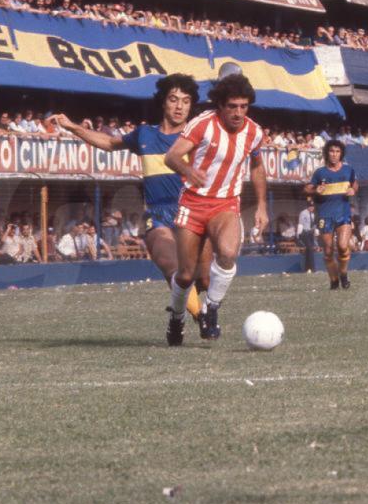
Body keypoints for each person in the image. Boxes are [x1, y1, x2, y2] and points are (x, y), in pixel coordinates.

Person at [49, 73, 210, 320]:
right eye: (174, 99)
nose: (179, 106)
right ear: (163, 102)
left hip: (190, 213)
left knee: (203, 278)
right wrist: (74, 128)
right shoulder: (145, 134)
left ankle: (178, 317)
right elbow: (110, 143)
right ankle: (203, 319)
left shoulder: (198, 139)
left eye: (186, 101)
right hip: (157, 214)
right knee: (172, 267)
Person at [163, 73, 269, 345]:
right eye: (232, 106)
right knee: (187, 275)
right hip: (193, 203)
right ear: (220, 105)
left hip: (225, 203)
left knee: (229, 252)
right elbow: (172, 156)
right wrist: (188, 170)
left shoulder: (254, 132)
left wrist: (261, 206)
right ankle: (176, 318)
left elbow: (257, 167)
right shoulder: (202, 124)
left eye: (243, 107)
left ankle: (211, 308)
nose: (238, 113)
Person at [304, 140, 357, 290]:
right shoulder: (320, 172)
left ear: (341, 154)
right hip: (324, 215)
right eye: (331, 151)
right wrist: (315, 190)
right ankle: (334, 281)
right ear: (327, 153)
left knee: (342, 246)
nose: (334, 154)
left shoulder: (348, 170)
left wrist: (354, 190)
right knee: (328, 251)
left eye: (337, 151)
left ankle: (344, 274)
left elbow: (355, 184)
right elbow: (306, 189)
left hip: (343, 214)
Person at [297, 201, 316, 273]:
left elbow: (313, 223)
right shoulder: (303, 213)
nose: (312, 208)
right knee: (310, 249)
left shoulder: (313, 214)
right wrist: (299, 234)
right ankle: (312, 268)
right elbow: (300, 223)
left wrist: (315, 230)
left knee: (309, 250)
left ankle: (307, 268)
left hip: (310, 233)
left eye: (313, 206)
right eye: (310, 206)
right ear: (308, 206)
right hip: (304, 232)